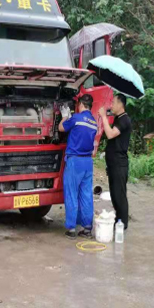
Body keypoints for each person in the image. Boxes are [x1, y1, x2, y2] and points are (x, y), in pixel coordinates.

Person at [58, 94, 97, 239]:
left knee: (71, 194)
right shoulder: (93, 122)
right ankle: (87, 228)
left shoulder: (76, 118)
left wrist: (64, 116)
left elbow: (61, 128)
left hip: (75, 162)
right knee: (86, 195)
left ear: (80, 104)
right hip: (88, 162)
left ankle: (71, 228)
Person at [98, 94, 132, 229]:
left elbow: (111, 134)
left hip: (119, 163)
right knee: (114, 194)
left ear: (120, 104)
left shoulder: (124, 120)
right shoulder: (119, 118)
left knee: (119, 195)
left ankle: (122, 225)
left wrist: (104, 117)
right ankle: (118, 221)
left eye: (113, 102)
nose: (111, 105)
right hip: (113, 164)